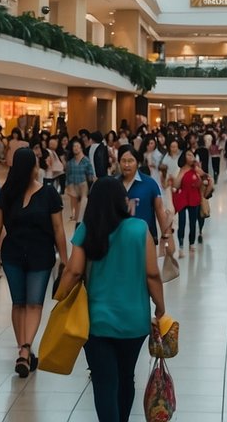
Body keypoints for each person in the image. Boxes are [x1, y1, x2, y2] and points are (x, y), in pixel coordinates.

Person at [56, 178, 165, 422]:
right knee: (126, 376)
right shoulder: (140, 228)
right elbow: (152, 274)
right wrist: (160, 305)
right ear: (122, 201)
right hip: (134, 321)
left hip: (97, 321)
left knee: (104, 381)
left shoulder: (86, 229)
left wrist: (59, 298)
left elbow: (73, 271)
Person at [0, 148, 68, 377]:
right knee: (19, 303)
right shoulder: (7, 193)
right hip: (13, 254)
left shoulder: (49, 194)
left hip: (40, 256)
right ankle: (25, 348)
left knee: (34, 303)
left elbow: (58, 229)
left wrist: (65, 260)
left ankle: (24, 350)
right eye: (35, 164)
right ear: (30, 168)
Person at [117, 146, 172, 247]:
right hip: (119, 240)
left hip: (145, 241)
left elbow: (159, 210)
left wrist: (165, 237)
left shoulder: (149, 184)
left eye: (130, 161)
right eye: (123, 161)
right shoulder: (114, 184)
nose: (126, 165)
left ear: (137, 163)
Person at [172, 149, 208, 257]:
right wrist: (183, 172)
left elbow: (205, 178)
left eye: (192, 155)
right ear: (184, 157)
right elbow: (176, 185)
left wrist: (201, 179)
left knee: (193, 223)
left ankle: (192, 244)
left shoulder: (196, 169)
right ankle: (181, 246)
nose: (191, 156)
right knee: (181, 223)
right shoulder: (180, 170)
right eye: (188, 154)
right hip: (182, 199)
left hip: (194, 198)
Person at [64, 138, 95, 223]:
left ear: (81, 148)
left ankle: (81, 219)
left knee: (83, 200)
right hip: (73, 184)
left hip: (83, 183)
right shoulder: (70, 162)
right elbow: (67, 175)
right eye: (74, 146)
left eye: (78, 146)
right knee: (74, 203)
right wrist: (67, 185)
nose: (76, 148)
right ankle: (76, 218)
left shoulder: (86, 160)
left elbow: (90, 173)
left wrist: (91, 181)